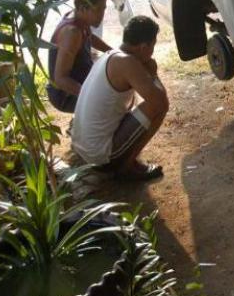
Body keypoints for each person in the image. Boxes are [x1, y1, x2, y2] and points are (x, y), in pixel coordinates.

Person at [71, 16, 168, 180]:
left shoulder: (110, 55)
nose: (152, 53)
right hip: (100, 156)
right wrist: (153, 74)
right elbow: (159, 101)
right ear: (144, 47)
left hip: (84, 149)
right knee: (160, 105)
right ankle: (126, 167)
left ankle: (124, 161)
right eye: (152, 47)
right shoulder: (127, 63)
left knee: (144, 102)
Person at [47, 0, 112, 113]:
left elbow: (90, 37)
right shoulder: (72, 33)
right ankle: (82, 126)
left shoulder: (80, 18)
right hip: (64, 95)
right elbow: (60, 79)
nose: (102, 14)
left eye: (104, 9)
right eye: (99, 9)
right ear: (83, 8)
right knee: (111, 103)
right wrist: (91, 95)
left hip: (81, 82)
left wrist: (112, 51)